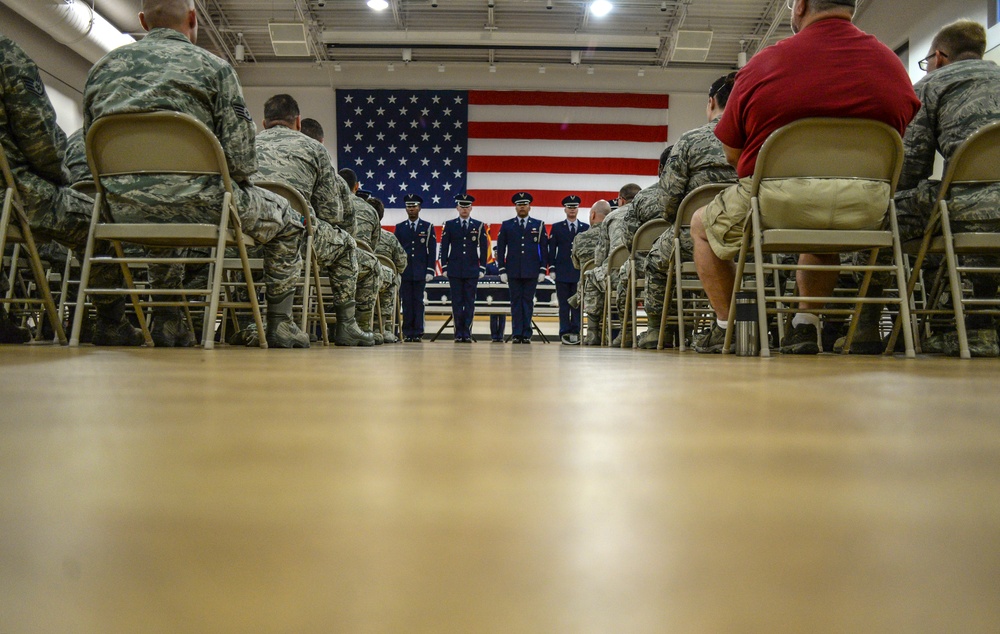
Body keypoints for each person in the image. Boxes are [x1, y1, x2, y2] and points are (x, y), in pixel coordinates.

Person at [82, 0, 330, 348]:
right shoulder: (215, 69)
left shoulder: (101, 70)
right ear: (193, 18)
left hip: (118, 206)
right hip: (203, 204)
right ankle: (279, 324)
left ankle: (137, 321)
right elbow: (243, 161)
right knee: (290, 221)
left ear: (143, 21)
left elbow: (88, 149)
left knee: (158, 211)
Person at [689, 0, 919, 354]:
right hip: (867, 207)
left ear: (800, 5)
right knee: (822, 232)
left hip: (775, 203)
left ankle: (729, 327)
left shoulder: (764, 64)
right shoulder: (892, 66)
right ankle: (805, 326)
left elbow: (733, 155)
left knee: (701, 227)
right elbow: (900, 138)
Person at [852, 20, 1000, 357]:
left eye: (928, 60)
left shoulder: (932, 84)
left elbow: (908, 170)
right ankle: (978, 325)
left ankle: (866, 324)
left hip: (966, 208)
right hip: (982, 206)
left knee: (881, 212)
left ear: (941, 57)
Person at [0, 34, 141, 346]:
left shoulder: (84, 137)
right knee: (96, 222)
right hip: (11, 197)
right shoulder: (4, 53)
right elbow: (40, 139)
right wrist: (58, 177)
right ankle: (111, 322)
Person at [253, 94, 374, 346]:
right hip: (296, 232)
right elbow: (331, 212)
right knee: (346, 245)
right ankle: (346, 326)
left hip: (246, 233)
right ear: (298, 122)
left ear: (264, 123)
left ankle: (244, 322)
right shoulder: (314, 149)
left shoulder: (247, 143)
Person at [637, 73, 739, 348]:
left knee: (656, 262)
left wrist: (678, 223)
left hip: (691, 237)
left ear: (711, 103)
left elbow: (668, 201)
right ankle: (785, 329)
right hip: (750, 233)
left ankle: (662, 331)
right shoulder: (758, 137)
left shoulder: (690, 141)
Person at [496, 191, 547, 344]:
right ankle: (517, 333)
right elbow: (501, 248)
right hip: (513, 271)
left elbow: (544, 248)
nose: (522, 207)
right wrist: (502, 269)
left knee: (528, 302)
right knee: (516, 303)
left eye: (525, 204)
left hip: (531, 271)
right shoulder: (507, 225)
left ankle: (526, 333)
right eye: (519, 205)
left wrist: (543, 269)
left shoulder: (538, 225)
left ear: (529, 207)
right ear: (515, 207)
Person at [439, 194, 489, 342]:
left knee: (469, 302)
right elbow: (444, 246)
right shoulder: (450, 225)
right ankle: (458, 332)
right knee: (456, 302)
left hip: (472, 269)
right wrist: (445, 266)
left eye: (467, 206)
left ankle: (466, 332)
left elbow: (484, 247)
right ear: (457, 208)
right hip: (454, 269)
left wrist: (482, 267)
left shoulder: (478, 225)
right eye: (462, 206)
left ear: (471, 208)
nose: (464, 209)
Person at [395, 193, 436, 341]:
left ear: (419, 208)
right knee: (406, 302)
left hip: (420, 271)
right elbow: (397, 250)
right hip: (405, 271)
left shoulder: (428, 227)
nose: (411, 209)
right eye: (408, 207)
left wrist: (430, 269)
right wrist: (397, 269)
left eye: (413, 206)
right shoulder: (400, 228)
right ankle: (407, 332)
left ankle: (418, 332)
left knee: (418, 302)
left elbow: (432, 250)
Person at [548, 195, 589, 344]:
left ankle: (576, 331)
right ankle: (564, 332)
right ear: (565, 209)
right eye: (569, 207)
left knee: (577, 304)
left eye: (574, 207)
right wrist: (551, 268)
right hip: (562, 271)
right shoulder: (557, 227)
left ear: (578, 209)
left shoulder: (585, 227)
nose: (572, 210)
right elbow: (551, 249)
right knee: (564, 305)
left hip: (578, 272)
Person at [569, 199, 610, 345]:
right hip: (610, 287)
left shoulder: (580, 238)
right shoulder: (614, 236)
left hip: (586, 289)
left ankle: (592, 331)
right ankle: (610, 332)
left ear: (592, 215)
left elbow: (576, 265)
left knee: (588, 279)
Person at [373, 198, 407, 343]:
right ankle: (385, 328)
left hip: (356, 280)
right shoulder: (390, 238)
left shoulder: (355, 235)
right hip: (382, 285)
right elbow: (401, 264)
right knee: (392, 277)